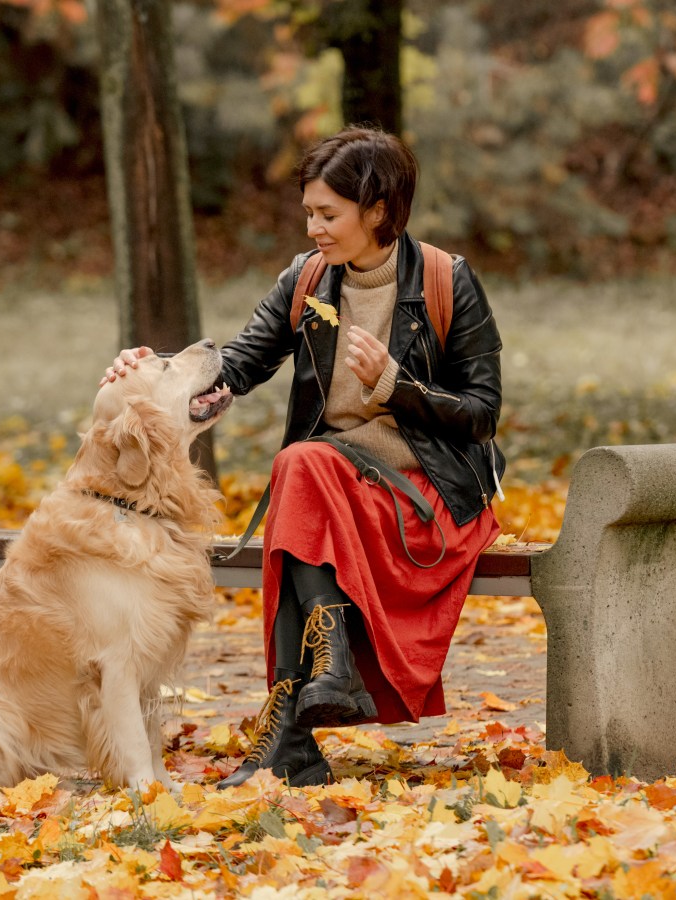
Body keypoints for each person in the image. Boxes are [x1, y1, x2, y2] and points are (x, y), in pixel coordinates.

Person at [101, 126, 505, 788]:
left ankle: (291, 733)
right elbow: (237, 363)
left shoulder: (444, 281)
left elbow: (483, 412)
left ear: (378, 210)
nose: (314, 228)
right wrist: (156, 369)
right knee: (305, 470)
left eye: (328, 214)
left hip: (427, 494)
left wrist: (395, 388)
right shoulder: (308, 280)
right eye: (309, 213)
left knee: (301, 472)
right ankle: (326, 671)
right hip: (334, 488)